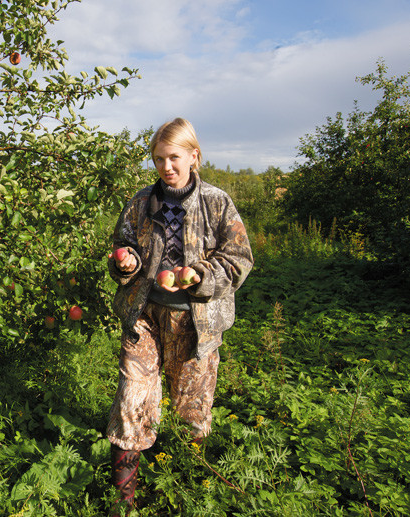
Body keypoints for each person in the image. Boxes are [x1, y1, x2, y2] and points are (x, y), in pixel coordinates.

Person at [106, 118, 253, 513]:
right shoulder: (140, 203)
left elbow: (239, 260)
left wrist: (198, 274)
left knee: (192, 409)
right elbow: (125, 247)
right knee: (131, 400)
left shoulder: (217, 203)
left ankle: (189, 492)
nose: (166, 166)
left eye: (174, 157)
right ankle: (123, 502)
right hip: (145, 317)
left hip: (195, 323)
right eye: (158, 159)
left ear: (194, 156)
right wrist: (125, 264)